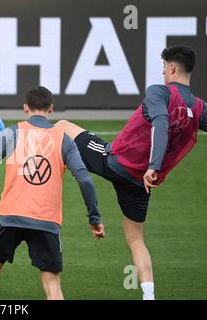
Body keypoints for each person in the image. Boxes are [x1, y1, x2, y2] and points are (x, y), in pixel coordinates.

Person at [57, 46, 207, 300]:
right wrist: (152, 171)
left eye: (163, 67)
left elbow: (160, 123)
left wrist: (153, 165)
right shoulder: (200, 108)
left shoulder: (159, 92)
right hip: (141, 183)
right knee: (135, 239)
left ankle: (38, 173)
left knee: (62, 127)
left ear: (171, 68)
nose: (162, 72)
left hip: (117, 164)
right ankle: (149, 296)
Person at [0, 86, 105, 300]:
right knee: (52, 285)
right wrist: (94, 217)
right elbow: (85, 180)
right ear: (51, 109)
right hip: (47, 221)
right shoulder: (64, 140)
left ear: (25, 108)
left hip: (10, 218)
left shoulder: (13, 132)